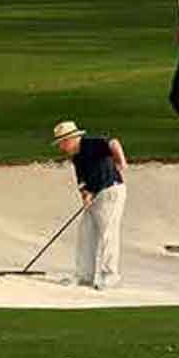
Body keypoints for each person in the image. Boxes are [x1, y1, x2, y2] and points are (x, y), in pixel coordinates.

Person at [51, 120, 128, 290]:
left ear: (69, 139)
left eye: (62, 143)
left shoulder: (90, 144)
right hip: (95, 196)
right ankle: (85, 276)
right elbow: (83, 182)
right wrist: (85, 194)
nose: (61, 148)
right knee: (86, 232)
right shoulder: (77, 157)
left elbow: (113, 143)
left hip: (111, 191)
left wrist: (121, 162)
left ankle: (110, 275)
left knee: (108, 233)